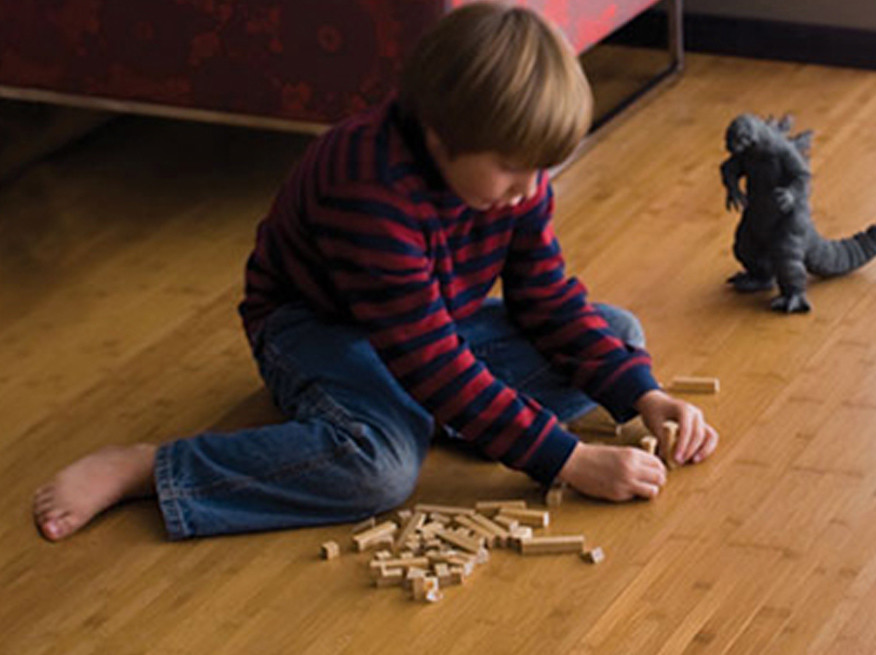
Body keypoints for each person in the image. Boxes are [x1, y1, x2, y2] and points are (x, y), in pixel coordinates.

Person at [32, 3, 718, 542]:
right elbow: (430, 360)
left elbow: (546, 298)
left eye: (541, 168)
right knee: (380, 472)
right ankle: (153, 468)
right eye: (512, 167)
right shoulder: (367, 185)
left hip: (428, 327)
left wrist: (643, 395)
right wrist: (565, 460)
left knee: (618, 333)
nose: (528, 188)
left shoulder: (516, 180)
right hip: (316, 330)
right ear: (441, 135)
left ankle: (441, 417)